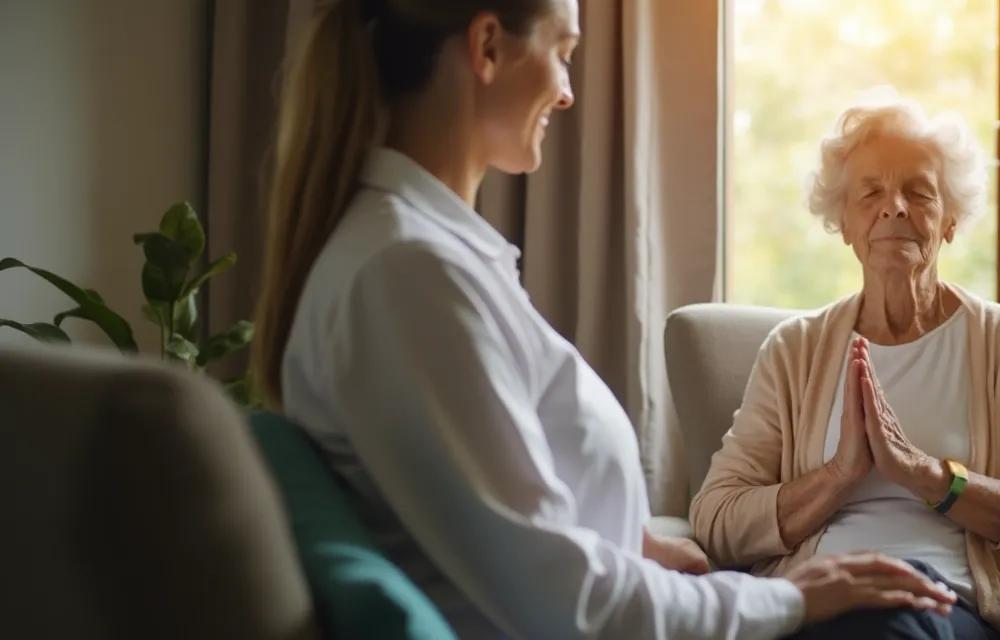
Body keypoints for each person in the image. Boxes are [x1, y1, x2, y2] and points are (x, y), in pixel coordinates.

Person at [247, 1, 955, 638]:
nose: (566, 89)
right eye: (563, 51)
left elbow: (495, 526)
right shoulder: (408, 277)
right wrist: (788, 598)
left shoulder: (423, 262)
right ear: (488, 47)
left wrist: (630, 544)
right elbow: (567, 604)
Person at [690, 95, 1000, 639]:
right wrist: (837, 477)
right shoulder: (795, 350)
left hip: (944, 604)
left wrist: (930, 477)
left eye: (919, 192)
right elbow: (715, 517)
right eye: (870, 193)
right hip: (820, 600)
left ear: (950, 220)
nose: (894, 207)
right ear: (842, 222)